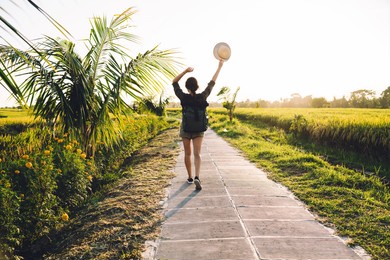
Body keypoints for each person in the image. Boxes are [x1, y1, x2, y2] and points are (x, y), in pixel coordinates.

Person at [172, 59, 224, 190]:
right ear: (197, 86)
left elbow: (174, 82)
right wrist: (219, 66)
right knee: (197, 154)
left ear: (187, 87)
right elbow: (212, 82)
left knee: (187, 154)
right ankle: (197, 176)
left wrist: (185, 71)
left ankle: (189, 177)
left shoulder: (183, 97)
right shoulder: (203, 96)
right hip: (198, 129)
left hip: (186, 128)